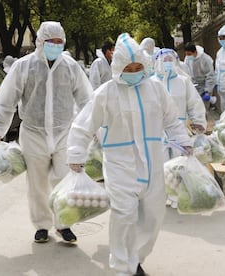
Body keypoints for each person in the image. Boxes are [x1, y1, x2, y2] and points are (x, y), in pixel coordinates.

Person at [66, 33, 193, 276]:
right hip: (120, 165)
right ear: (118, 67)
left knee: (154, 215)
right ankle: (123, 267)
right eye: (129, 67)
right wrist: (76, 154)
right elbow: (84, 125)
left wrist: (184, 142)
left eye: (138, 67)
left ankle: (135, 259)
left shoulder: (155, 89)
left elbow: (172, 120)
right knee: (124, 215)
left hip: (153, 163)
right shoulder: (106, 93)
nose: (134, 71)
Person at [0, 21, 92, 244]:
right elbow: (7, 99)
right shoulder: (24, 66)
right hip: (33, 132)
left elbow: (86, 100)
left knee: (64, 179)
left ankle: (63, 224)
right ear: (40, 42)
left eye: (59, 42)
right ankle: (42, 225)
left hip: (65, 130)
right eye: (50, 41)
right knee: (37, 183)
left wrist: (93, 131)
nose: (55, 45)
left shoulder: (71, 66)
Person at [152, 48, 207, 159]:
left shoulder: (183, 81)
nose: (167, 62)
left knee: (181, 166)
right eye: (164, 60)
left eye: (170, 60)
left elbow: (194, 105)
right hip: (158, 133)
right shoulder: (152, 83)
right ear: (157, 62)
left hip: (180, 131)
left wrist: (199, 125)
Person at [184, 42, 217, 108]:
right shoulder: (188, 58)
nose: (188, 56)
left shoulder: (205, 59)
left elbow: (210, 75)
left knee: (204, 108)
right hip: (194, 86)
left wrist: (207, 91)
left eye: (189, 54)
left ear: (195, 52)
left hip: (204, 85)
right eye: (186, 54)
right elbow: (186, 71)